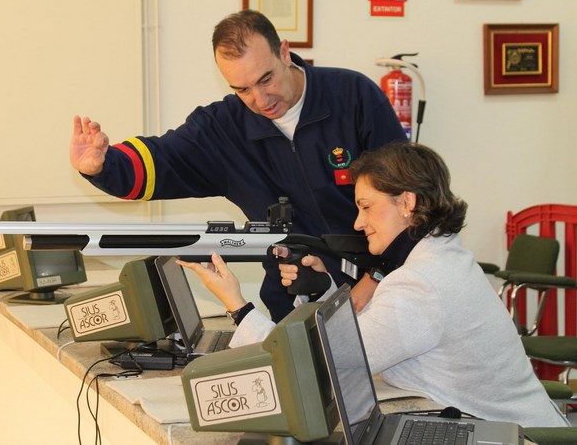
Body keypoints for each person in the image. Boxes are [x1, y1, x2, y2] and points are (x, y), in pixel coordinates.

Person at [177, 142, 569, 428]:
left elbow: (318, 369)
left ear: (407, 203)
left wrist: (237, 306)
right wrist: (323, 291)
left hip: (515, 437)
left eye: (366, 206)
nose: (357, 223)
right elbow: (367, 339)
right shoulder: (438, 259)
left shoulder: (420, 283)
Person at [70, 9, 407, 323]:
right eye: (242, 89)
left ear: (284, 53)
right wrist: (103, 165)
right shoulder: (223, 128)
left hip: (380, 294)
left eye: (266, 79)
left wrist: (376, 277)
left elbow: (409, 200)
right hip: (292, 303)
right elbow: (161, 160)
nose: (261, 100)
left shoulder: (353, 97)